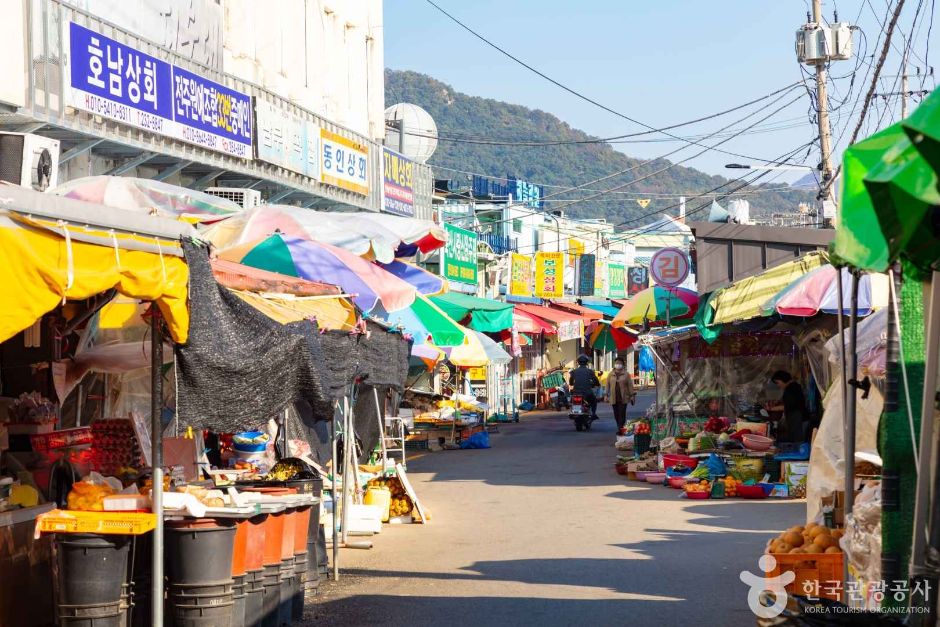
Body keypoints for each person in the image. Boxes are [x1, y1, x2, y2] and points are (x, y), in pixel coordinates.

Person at [767, 370, 807, 443]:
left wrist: (771, 409)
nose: (778, 385)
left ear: (783, 379)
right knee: (795, 439)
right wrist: (778, 402)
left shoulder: (791, 388)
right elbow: (790, 401)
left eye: (778, 382)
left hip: (798, 417)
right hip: (797, 417)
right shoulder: (793, 386)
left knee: (797, 440)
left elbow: (788, 406)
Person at [607, 357, 636, 431]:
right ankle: (619, 426)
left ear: (623, 365)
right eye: (616, 363)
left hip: (623, 397)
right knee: (616, 414)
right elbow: (607, 385)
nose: (618, 365)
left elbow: (630, 385)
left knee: (622, 414)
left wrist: (632, 395)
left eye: (620, 363)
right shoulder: (610, 374)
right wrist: (606, 395)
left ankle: (620, 428)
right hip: (614, 398)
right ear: (614, 364)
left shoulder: (626, 374)